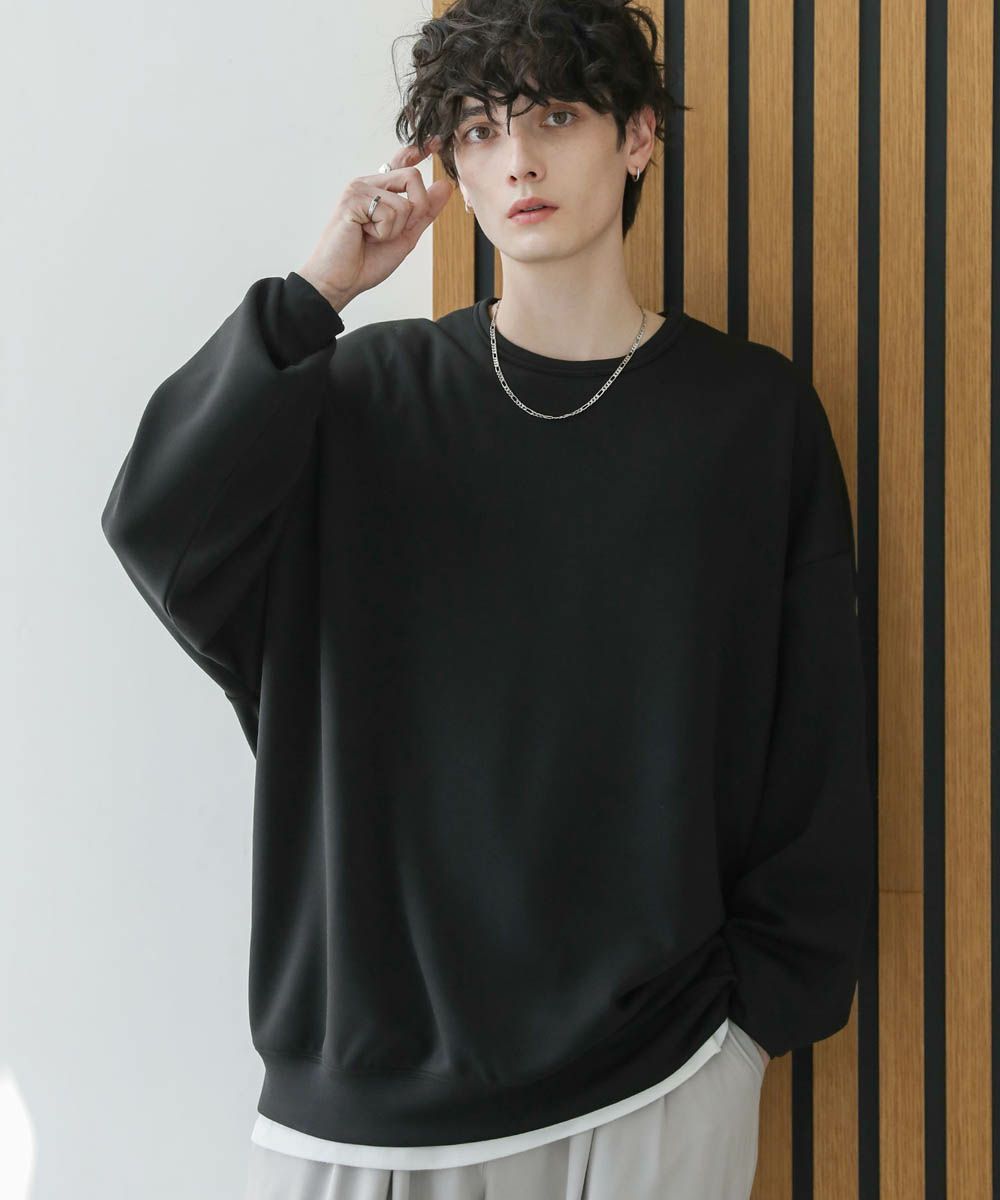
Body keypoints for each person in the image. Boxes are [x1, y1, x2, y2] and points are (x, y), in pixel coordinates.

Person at [100, 1, 875, 1197]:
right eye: (478, 128)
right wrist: (317, 292)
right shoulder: (361, 396)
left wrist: (748, 1024)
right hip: (366, 1101)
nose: (517, 159)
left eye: (555, 116)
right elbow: (160, 523)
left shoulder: (749, 419)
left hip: (660, 1075)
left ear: (637, 136)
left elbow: (811, 736)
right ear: (450, 165)